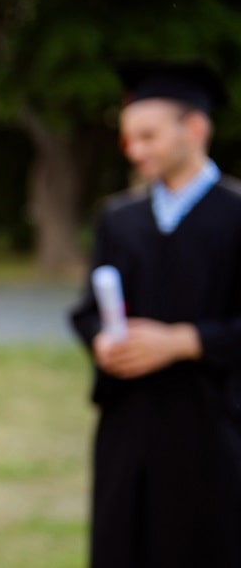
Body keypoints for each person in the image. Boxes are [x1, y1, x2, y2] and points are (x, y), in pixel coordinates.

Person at [69, 61, 241, 567]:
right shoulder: (120, 218)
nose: (136, 150)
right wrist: (102, 338)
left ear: (195, 128)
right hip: (131, 426)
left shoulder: (235, 215)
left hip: (212, 425)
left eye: (148, 135)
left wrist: (184, 342)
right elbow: (86, 313)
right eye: (129, 139)